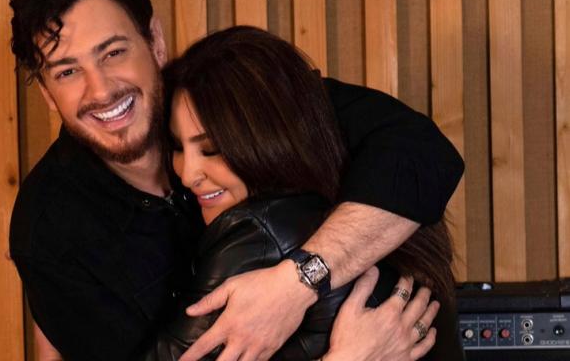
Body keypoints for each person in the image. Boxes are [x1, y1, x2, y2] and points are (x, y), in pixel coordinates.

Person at [8, 0, 464, 359]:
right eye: (68, 71)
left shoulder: (224, 99)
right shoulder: (50, 232)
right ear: (47, 92)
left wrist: (297, 284)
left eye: (113, 52)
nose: (102, 89)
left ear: (155, 42)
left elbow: (424, 155)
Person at [133, 26, 463, 360]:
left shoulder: (255, 235)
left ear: (267, 141)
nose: (188, 174)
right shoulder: (380, 204)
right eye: (177, 147)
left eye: (211, 149)